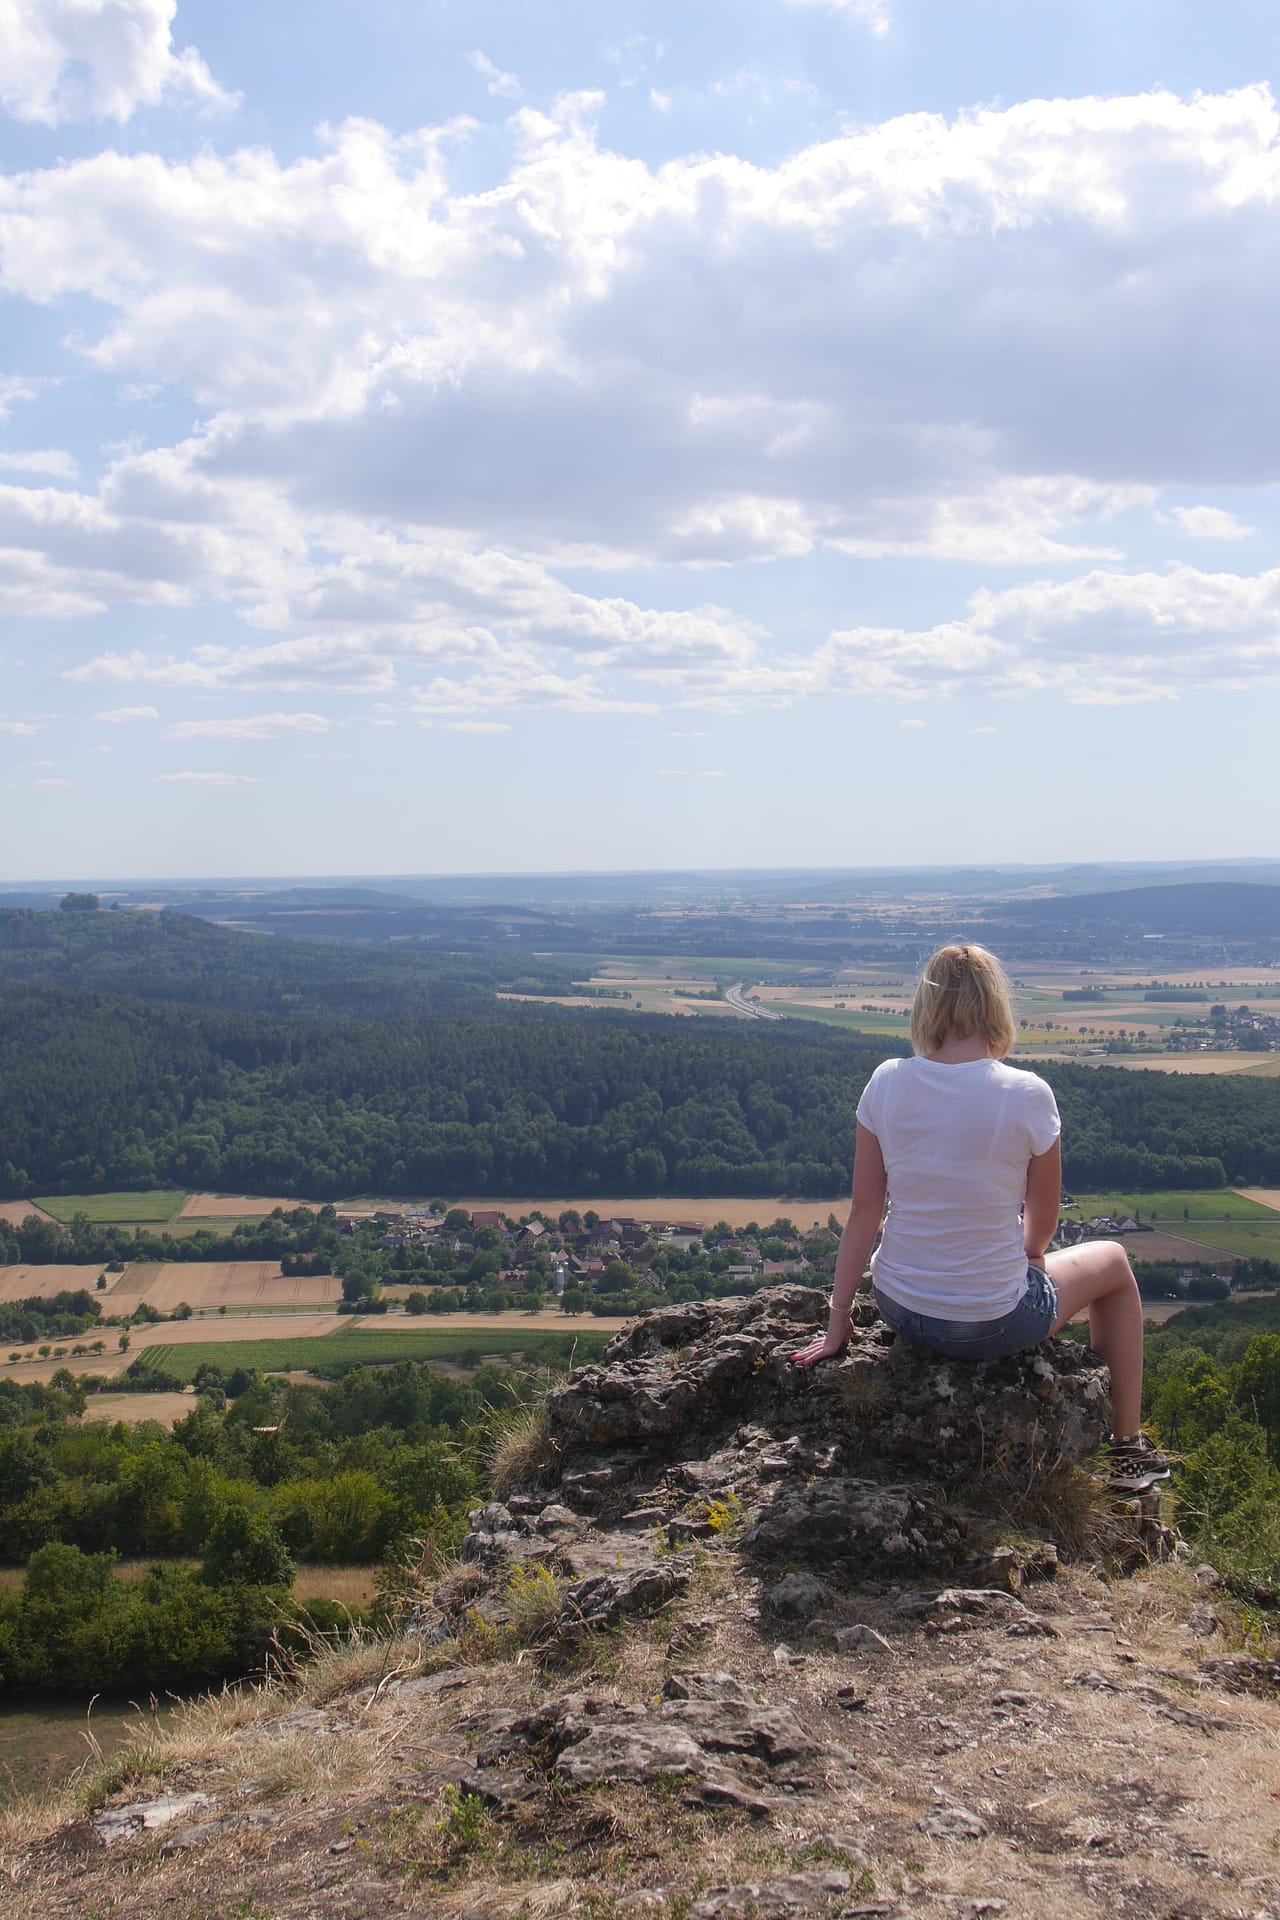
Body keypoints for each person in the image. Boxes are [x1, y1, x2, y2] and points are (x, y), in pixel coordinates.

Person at [790, 942, 1170, 1492]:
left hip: (899, 1306)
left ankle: (1126, 1449)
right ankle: (1127, 1451)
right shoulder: (1027, 1092)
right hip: (991, 1322)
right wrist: (1028, 1260)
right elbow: (1041, 1222)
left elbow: (865, 1210)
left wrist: (838, 1320)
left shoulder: (887, 1080)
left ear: (928, 1006)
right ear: (995, 1005)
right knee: (1112, 1260)